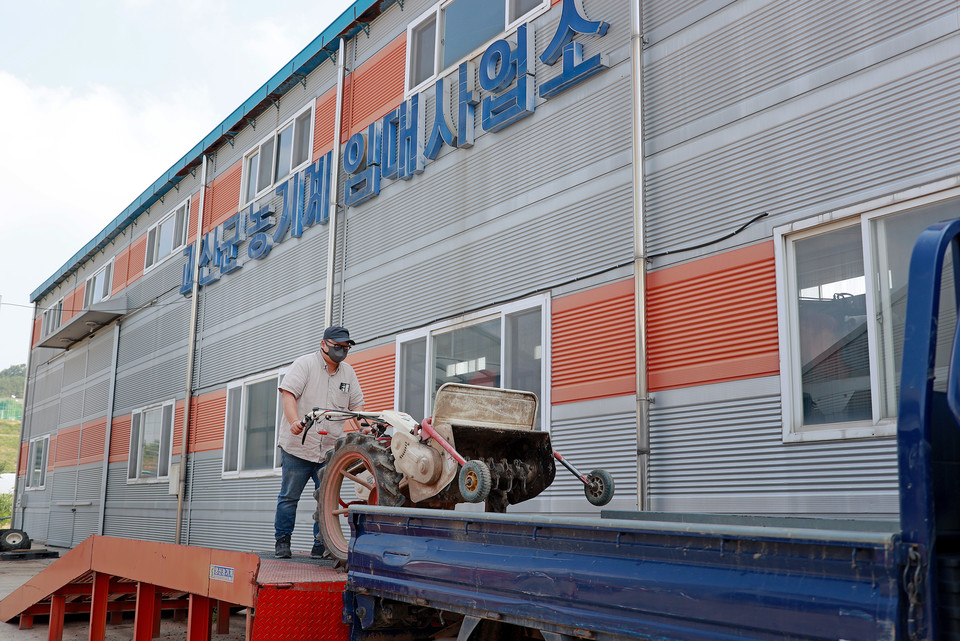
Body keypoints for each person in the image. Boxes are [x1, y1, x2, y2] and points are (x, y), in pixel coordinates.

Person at [274, 326, 364, 558]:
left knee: (326, 501)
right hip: (299, 447)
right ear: (324, 344)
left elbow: (356, 409)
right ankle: (282, 542)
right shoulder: (304, 364)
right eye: (337, 346)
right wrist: (294, 421)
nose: (341, 351)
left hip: (330, 451)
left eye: (345, 348)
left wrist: (365, 429)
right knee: (289, 497)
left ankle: (320, 546)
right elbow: (288, 394)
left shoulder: (348, 374)